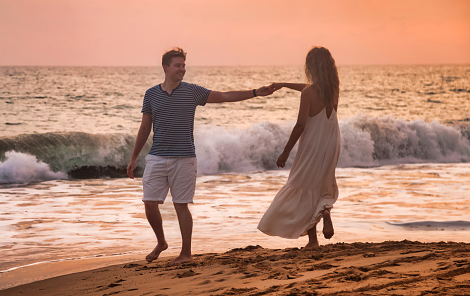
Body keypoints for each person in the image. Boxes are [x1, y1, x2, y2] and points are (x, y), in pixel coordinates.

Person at [127, 47, 275, 264]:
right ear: (165, 67)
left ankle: (186, 253)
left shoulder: (192, 92)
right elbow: (144, 128)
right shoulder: (151, 94)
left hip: (184, 158)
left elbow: (224, 96)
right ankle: (161, 242)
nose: (182, 69)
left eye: (184, 65)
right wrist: (133, 158)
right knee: (149, 203)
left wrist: (255, 92)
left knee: (181, 205)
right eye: (178, 65)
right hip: (157, 157)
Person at [258, 46, 341, 249]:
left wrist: (285, 152)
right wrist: (284, 85)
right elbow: (308, 88)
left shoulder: (308, 94)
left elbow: (300, 125)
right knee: (320, 184)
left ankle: (313, 240)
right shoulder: (333, 89)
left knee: (303, 185)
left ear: (311, 67)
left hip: (312, 144)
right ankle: (325, 211)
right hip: (331, 143)